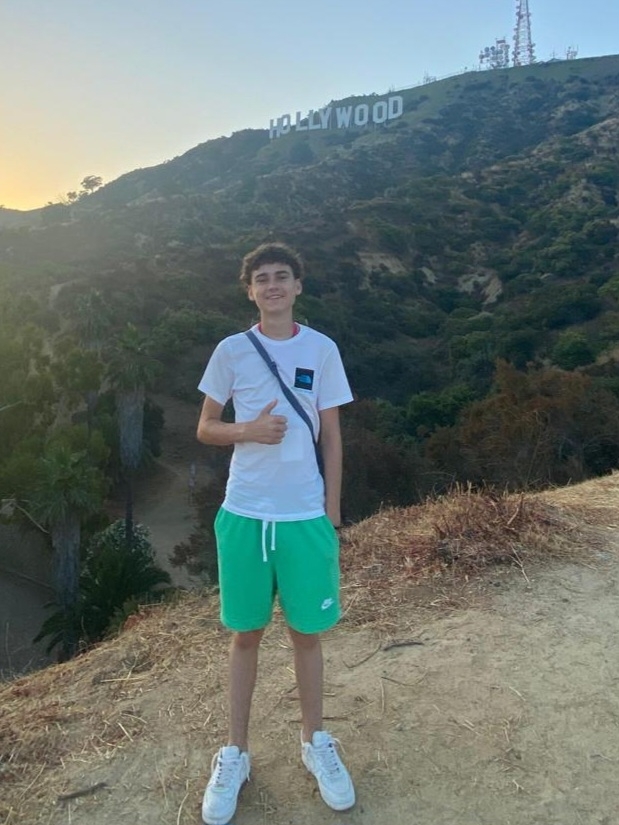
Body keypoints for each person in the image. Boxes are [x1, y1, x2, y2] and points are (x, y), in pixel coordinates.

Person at [196, 242, 355, 825]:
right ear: (250, 291)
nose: (272, 286)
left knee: (307, 635)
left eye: (281, 276)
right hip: (244, 513)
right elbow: (206, 427)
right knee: (245, 635)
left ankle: (316, 742)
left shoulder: (322, 349)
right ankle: (235, 753)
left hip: (305, 516)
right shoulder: (231, 350)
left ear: (298, 285)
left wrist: (331, 512)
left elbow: (332, 436)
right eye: (261, 279)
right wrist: (249, 430)